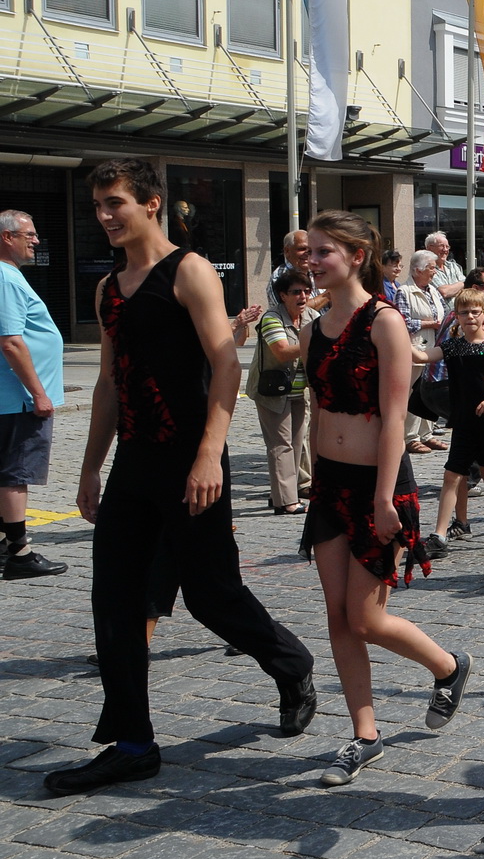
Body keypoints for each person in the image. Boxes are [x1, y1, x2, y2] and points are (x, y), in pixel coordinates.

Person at [49, 160, 316, 796]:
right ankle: (132, 742)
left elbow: (226, 366)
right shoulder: (108, 289)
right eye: (98, 206)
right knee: (115, 598)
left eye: (116, 203)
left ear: (151, 203)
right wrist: (90, 470)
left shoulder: (188, 270)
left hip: (191, 458)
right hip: (135, 465)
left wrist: (208, 453)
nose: (106, 216)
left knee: (210, 594)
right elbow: (110, 383)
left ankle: (290, 661)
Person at [299, 211, 470, 787]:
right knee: (338, 616)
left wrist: (381, 497)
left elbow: (395, 420)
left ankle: (448, 667)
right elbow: (318, 408)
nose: (313, 260)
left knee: (367, 617)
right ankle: (363, 734)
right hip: (329, 483)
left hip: (378, 486)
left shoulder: (385, 322)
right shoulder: (314, 324)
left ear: (354, 255)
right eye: (310, 251)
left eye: (323, 251)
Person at [413, 288, 484, 557]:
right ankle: (440, 536)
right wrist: (398, 338)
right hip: (465, 423)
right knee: (451, 475)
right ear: (455, 316)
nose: (469, 317)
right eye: (463, 312)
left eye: (474, 312)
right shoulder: (453, 346)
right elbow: (423, 356)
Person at [0, 210, 67, 579]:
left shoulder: (8, 276)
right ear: (7, 237)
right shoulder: (5, 278)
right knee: (15, 473)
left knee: (8, 472)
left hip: (12, 396)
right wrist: (38, 393)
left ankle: (3, 544)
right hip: (18, 398)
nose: (36, 240)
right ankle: (20, 553)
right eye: (30, 234)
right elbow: (11, 342)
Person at [251, 267, 314, 515]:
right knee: (280, 444)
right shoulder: (271, 318)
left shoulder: (312, 316)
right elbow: (282, 350)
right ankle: (285, 502)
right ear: (282, 295)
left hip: (301, 390)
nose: (303, 296)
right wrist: (315, 340)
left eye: (307, 291)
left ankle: (283, 492)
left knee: (297, 443)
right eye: (296, 292)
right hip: (272, 391)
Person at [400, 251, 447, 454]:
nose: (435, 272)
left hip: (434, 350)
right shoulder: (404, 292)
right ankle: (410, 437)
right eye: (431, 268)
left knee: (429, 392)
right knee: (413, 393)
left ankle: (426, 435)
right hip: (416, 349)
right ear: (418, 270)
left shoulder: (433, 291)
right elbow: (401, 322)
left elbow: (445, 313)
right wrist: (430, 323)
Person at [425, 231, 465, 301]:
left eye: (447, 246)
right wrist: (461, 285)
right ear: (430, 248)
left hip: (461, 310)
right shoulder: (427, 269)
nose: (445, 250)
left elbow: (466, 288)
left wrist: (453, 289)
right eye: (441, 246)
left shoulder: (453, 266)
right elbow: (444, 292)